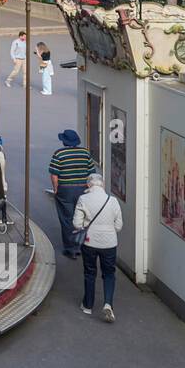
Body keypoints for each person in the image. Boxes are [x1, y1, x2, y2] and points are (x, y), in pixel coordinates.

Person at [73, 173, 123, 321]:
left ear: (88, 185)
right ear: (102, 184)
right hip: (109, 243)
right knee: (109, 273)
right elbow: (119, 225)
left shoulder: (83, 199)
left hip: (89, 242)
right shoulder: (113, 201)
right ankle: (108, 304)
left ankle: (88, 305)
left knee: (90, 273)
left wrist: (86, 227)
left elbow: (76, 224)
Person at [49, 128, 94, 259]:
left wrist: (56, 189)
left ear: (64, 142)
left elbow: (54, 175)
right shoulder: (85, 153)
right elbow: (91, 172)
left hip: (65, 191)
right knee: (82, 217)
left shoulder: (59, 154)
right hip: (83, 190)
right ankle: (82, 245)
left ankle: (71, 249)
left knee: (67, 219)